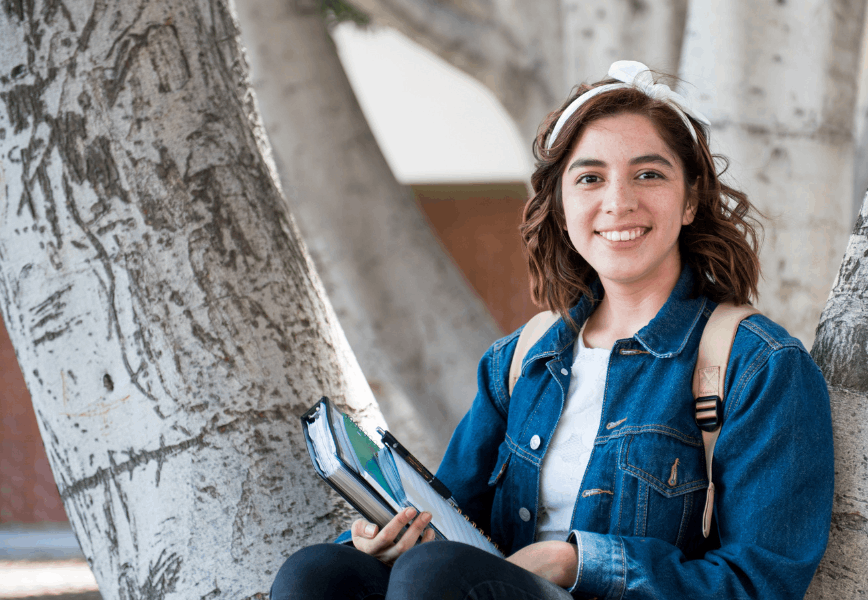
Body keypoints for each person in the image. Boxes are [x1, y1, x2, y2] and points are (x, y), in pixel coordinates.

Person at [271, 60, 833, 600]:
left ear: (689, 200)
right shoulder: (523, 358)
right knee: (319, 571)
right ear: (563, 209)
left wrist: (578, 561)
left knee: (434, 574)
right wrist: (384, 532)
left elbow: (762, 582)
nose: (618, 201)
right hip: (472, 587)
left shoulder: (757, 364)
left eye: (649, 174)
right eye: (590, 177)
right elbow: (449, 510)